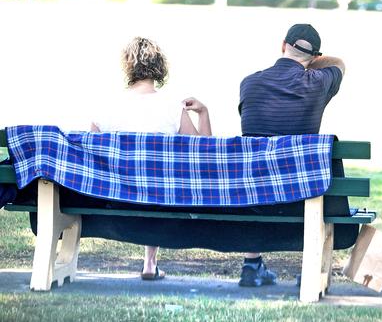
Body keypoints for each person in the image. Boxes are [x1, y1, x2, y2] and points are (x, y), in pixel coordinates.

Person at [91, 36, 212, 281]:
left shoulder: (105, 107)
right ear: (159, 67)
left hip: (115, 198)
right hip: (160, 198)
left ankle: (150, 261)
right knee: (154, 178)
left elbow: (92, 156)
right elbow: (204, 154)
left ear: (128, 66)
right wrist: (203, 112)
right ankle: (150, 261)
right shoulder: (171, 107)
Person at [236, 23, 345, 287]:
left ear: (282, 45)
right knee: (310, 181)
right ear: (315, 58)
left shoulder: (249, 83)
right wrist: (312, 62)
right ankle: (311, 268)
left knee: (259, 167)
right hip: (299, 193)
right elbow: (340, 63)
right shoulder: (319, 82)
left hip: (255, 194)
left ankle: (252, 265)